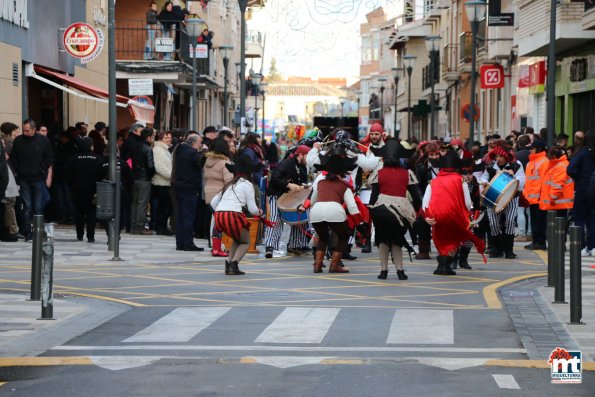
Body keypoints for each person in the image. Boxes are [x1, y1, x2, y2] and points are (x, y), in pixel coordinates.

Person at [423, 151, 486, 275]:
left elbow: (425, 201)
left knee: (440, 238)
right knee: (453, 238)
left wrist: (427, 217)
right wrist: (467, 214)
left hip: (437, 215)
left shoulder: (433, 181)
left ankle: (441, 265)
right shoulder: (460, 180)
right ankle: (447, 265)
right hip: (454, 214)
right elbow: (468, 202)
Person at [368, 140, 421, 280]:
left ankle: (383, 270)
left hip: (381, 209)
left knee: (382, 240)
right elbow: (416, 196)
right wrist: (417, 211)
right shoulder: (406, 173)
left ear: (383, 158)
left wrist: (370, 212)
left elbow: (373, 196)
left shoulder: (378, 173)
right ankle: (400, 270)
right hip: (400, 211)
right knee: (397, 240)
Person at [307, 146, 360, 274]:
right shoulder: (344, 185)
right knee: (343, 236)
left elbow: (311, 201)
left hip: (316, 213)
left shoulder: (320, 183)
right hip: (335, 211)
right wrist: (360, 222)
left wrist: (302, 207)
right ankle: (334, 265)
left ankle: (317, 265)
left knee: (323, 237)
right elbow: (352, 207)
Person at [211, 155, 262, 275]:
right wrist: (260, 212)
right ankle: (234, 265)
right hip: (233, 216)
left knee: (237, 239)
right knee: (245, 242)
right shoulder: (248, 185)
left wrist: (221, 211)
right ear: (250, 173)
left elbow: (213, 202)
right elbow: (253, 210)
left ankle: (228, 263)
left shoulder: (229, 184)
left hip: (219, 216)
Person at [9, 119, 53, 241]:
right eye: (23, 130)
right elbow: (14, 158)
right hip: (24, 178)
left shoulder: (43, 140)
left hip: (38, 178)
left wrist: (42, 168)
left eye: (27, 130)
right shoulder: (19, 140)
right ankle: (28, 233)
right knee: (27, 206)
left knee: (38, 206)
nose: (24, 132)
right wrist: (19, 170)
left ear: (34, 130)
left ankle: (37, 232)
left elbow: (49, 157)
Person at [264, 144, 311, 258]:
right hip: (276, 195)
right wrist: (288, 184)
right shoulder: (286, 163)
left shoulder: (302, 167)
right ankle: (270, 247)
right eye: (308, 156)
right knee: (275, 220)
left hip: (292, 197)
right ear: (300, 155)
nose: (309, 159)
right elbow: (275, 178)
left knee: (299, 220)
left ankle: (295, 245)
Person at [480, 145, 526, 259]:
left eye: (501, 156)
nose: (499, 159)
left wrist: (513, 175)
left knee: (510, 221)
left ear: (506, 157)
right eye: (496, 156)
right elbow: (482, 178)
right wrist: (484, 182)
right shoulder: (490, 167)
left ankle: (509, 250)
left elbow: (522, 182)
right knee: (494, 223)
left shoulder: (516, 166)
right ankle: (496, 248)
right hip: (493, 197)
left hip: (511, 197)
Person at [66, 137, 106, 242]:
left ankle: (79, 235)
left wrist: (71, 186)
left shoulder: (73, 159)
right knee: (91, 213)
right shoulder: (98, 159)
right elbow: (102, 175)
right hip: (93, 191)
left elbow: (68, 175)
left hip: (77, 190)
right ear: (91, 146)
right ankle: (90, 236)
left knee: (78, 213)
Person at [172, 134, 205, 251]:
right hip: (189, 187)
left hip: (179, 186)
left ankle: (180, 243)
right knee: (188, 216)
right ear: (194, 143)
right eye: (200, 142)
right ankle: (188, 243)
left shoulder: (180, 150)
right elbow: (200, 161)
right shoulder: (191, 153)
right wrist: (204, 152)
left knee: (180, 216)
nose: (201, 145)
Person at [203, 138, 234, 257]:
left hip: (208, 192)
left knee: (215, 219)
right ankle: (218, 248)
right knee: (219, 221)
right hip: (219, 193)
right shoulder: (224, 162)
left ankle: (214, 245)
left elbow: (205, 177)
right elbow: (229, 180)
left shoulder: (208, 160)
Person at [567, 129, 595, 256]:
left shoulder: (582, 153)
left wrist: (579, 178)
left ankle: (581, 246)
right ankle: (592, 246)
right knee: (592, 218)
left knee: (579, 218)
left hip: (583, 188)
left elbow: (570, 169)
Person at [414, 142, 441, 260]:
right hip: (427, 199)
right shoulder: (421, 167)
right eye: (432, 154)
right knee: (421, 223)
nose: (434, 157)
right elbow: (418, 187)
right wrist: (423, 203)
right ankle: (424, 250)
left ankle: (444, 250)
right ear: (427, 155)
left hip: (443, 199)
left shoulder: (446, 165)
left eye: (436, 154)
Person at [522, 140, 549, 250]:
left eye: (532, 148)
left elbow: (544, 181)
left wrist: (542, 196)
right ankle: (536, 241)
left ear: (538, 149)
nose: (530, 150)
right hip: (532, 197)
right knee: (534, 221)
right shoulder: (531, 162)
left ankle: (540, 242)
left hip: (540, 197)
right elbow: (528, 181)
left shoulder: (544, 161)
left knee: (540, 221)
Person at [539, 145, 573, 219]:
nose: (548, 157)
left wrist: (552, 199)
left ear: (554, 156)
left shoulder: (560, 166)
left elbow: (557, 185)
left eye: (549, 155)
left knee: (558, 227)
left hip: (557, 203)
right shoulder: (560, 164)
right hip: (559, 202)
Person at [151, 131, 173, 235]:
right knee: (163, 207)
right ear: (160, 139)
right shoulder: (159, 150)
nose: (169, 139)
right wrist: (170, 176)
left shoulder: (164, 149)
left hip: (165, 182)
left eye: (170, 138)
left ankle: (163, 227)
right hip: (161, 182)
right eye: (166, 138)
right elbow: (159, 167)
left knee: (165, 207)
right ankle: (160, 228)